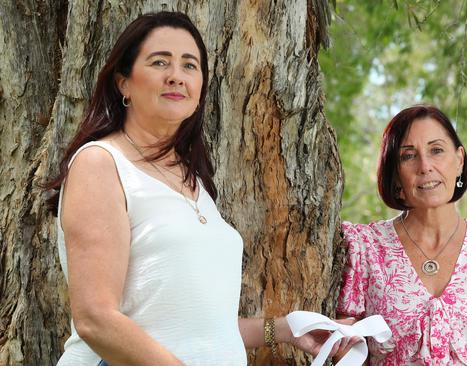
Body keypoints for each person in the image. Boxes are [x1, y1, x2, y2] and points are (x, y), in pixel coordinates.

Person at [46, 11, 352, 365]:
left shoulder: (193, 183)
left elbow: (200, 329)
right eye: (160, 62)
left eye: (189, 66)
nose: (176, 76)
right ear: (123, 83)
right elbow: (95, 319)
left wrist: (285, 329)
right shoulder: (101, 163)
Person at [334, 105, 467, 365]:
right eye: (408, 156)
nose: (425, 166)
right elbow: (348, 355)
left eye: (436, 150)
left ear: (459, 160)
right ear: (396, 175)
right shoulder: (364, 247)